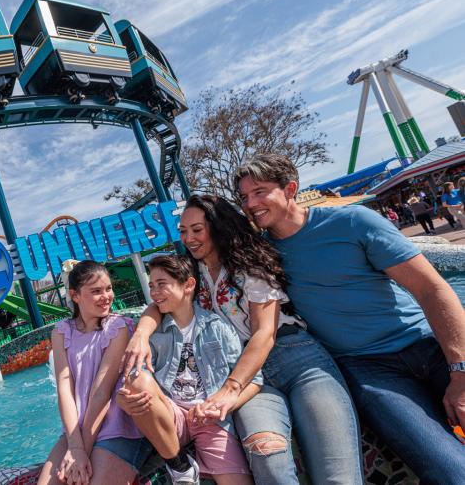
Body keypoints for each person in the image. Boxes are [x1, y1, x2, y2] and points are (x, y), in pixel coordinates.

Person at [234, 153, 465, 483]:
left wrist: (460, 371)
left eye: (259, 192)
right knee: (451, 471)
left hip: (428, 344)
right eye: (243, 197)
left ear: (290, 189)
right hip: (369, 371)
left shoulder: (353, 222)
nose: (250, 203)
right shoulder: (261, 257)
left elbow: (432, 290)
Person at [125, 194, 362, 484]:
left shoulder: (249, 263)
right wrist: (141, 333)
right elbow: (159, 300)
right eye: (184, 231)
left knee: (337, 471)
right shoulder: (192, 274)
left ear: (218, 225)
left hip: (294, 358)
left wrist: (229, 389)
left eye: (197, 230)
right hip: (247, 377)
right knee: (267, 456)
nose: (188, 238)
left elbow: (265, 333)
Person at [118, 255, 260, 485]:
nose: (154, 292)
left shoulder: (217, 327)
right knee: (137, 380)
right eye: (152, 285)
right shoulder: (152, 333)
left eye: (162, 284)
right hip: (170, 415)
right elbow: (133, 378)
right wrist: (122, 399)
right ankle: (180, 465)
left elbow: (255, 379)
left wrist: (222, 406)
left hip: (210, 419)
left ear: (189, 285)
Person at [39, 260, 145, 485]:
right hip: (77, 430)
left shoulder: (118, 328)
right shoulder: (61, 333)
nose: (107, 296)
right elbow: (64, 390)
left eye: (108, 289)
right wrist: (74, 444)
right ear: (75, 296)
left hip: (116, 428)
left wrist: (80, 452)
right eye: (96, 291)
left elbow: (101, 392)